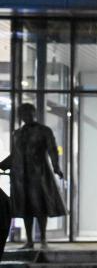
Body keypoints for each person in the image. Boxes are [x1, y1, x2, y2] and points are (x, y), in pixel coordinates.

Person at [0, 103, 65, 250]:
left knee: (40, 206)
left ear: (34, 113)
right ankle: (29, 240)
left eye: (28, 113)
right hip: (21, 177)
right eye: (23, 113)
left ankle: (43, 238)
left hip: (39, 174)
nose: (26, 116)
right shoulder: (17, 133)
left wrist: (56, 167)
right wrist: (2, 165)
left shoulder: (44, 131)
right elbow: (15, 155)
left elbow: (52, 150)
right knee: (26, 208)